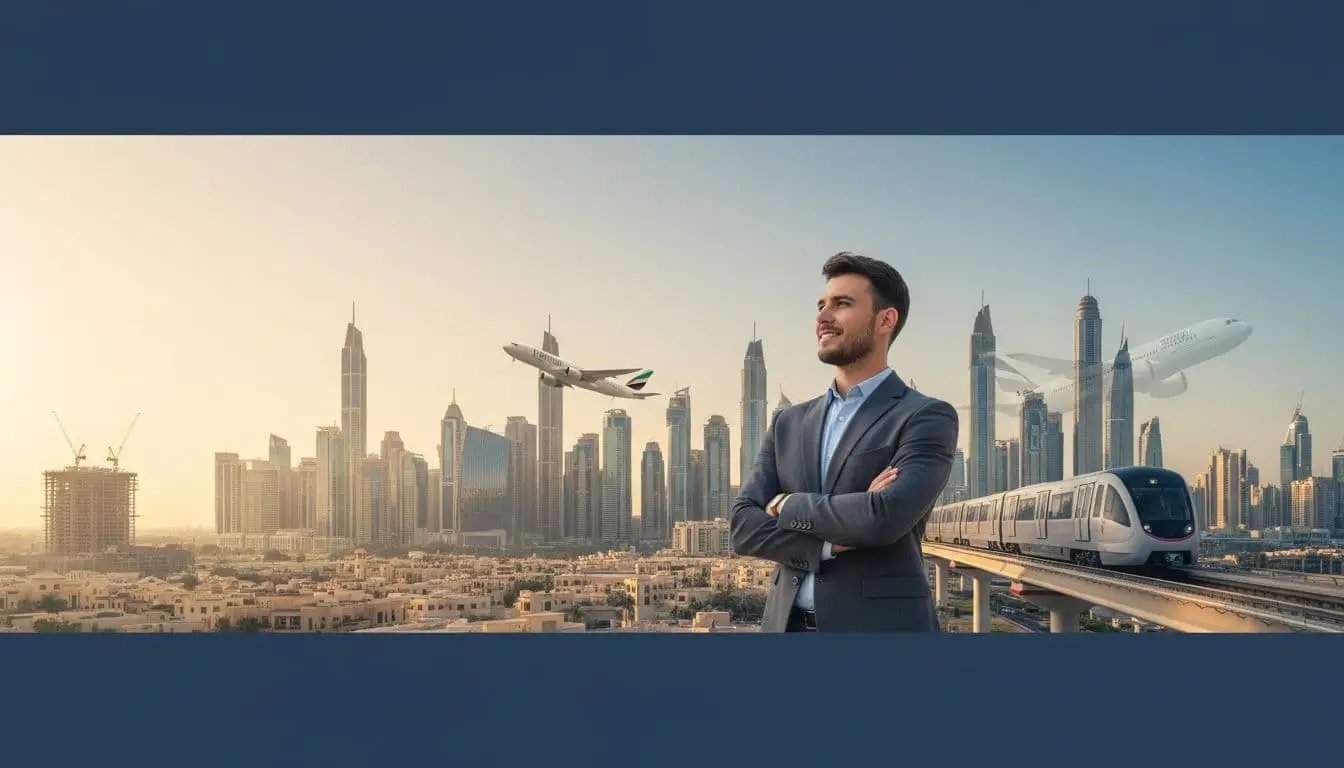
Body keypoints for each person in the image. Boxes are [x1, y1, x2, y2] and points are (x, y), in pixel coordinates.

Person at [730, 252, 959, 632]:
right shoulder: (788, 422)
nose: (822, 317)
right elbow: (741, 526)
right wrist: (825, 544)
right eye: (821, 305)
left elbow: (883, 519)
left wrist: (787, 504)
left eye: (842, 304)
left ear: (886, 319)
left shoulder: (925, 416)